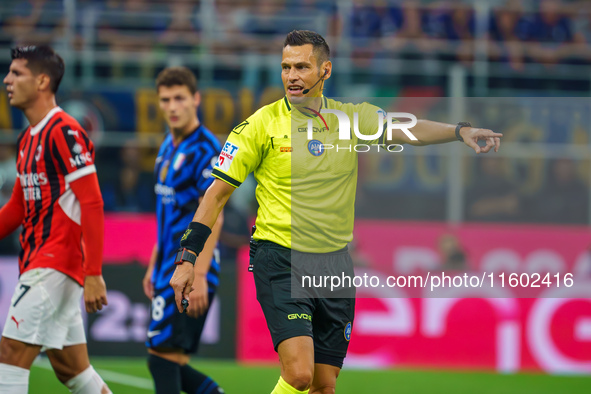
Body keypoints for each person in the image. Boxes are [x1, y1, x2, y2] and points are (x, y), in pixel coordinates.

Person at [170, 30, 502, 394]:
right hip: (281, 257)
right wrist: (188, 258)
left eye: (301, 67)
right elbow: (215, 196)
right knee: (299, 374)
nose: (291, 76)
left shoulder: (350, 120)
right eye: (285, 67)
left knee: (324, 386)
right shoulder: (259, 126)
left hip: (334, 264)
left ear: (325, 70)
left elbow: (408, 130)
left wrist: (459, 131)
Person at [0, 45, 110, 393]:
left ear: (43, 80)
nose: (8, 80)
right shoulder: (27, 139)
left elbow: (91, 202)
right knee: (72, 370)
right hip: (40, 262)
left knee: (10, 355)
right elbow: (18, 207)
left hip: (55, 263)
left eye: (17, 73)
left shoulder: (64, 130)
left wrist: (93, 273)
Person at [142, 66, 224, 394]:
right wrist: (153, 263)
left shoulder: (205, 148)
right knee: (169, 359)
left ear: (196, 99)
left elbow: (213, 214)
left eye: (180, 98)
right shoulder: (166, 146)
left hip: (190, 270)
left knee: (161, 358)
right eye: (166, 99)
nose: (172, 106)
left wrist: (200, 273)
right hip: (167, 267)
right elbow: (167, 214)